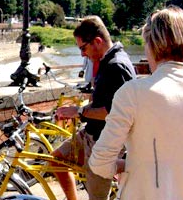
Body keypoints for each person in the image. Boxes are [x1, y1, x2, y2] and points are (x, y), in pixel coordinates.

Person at [89, 6, 183, 199]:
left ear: (152, 44)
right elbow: (181, 158)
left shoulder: (132, 93)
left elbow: (100, 162)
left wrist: (127, 166)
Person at [51, 15, 136, 200]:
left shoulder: (116, 66)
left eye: (83, 48)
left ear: (97, 41)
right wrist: (78, 110)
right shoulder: (108, 62)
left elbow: (114, 113)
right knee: (56, 160)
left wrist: (79, 112)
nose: (82, 54)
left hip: (103, 143)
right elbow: (104, 103)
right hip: (91, 134)